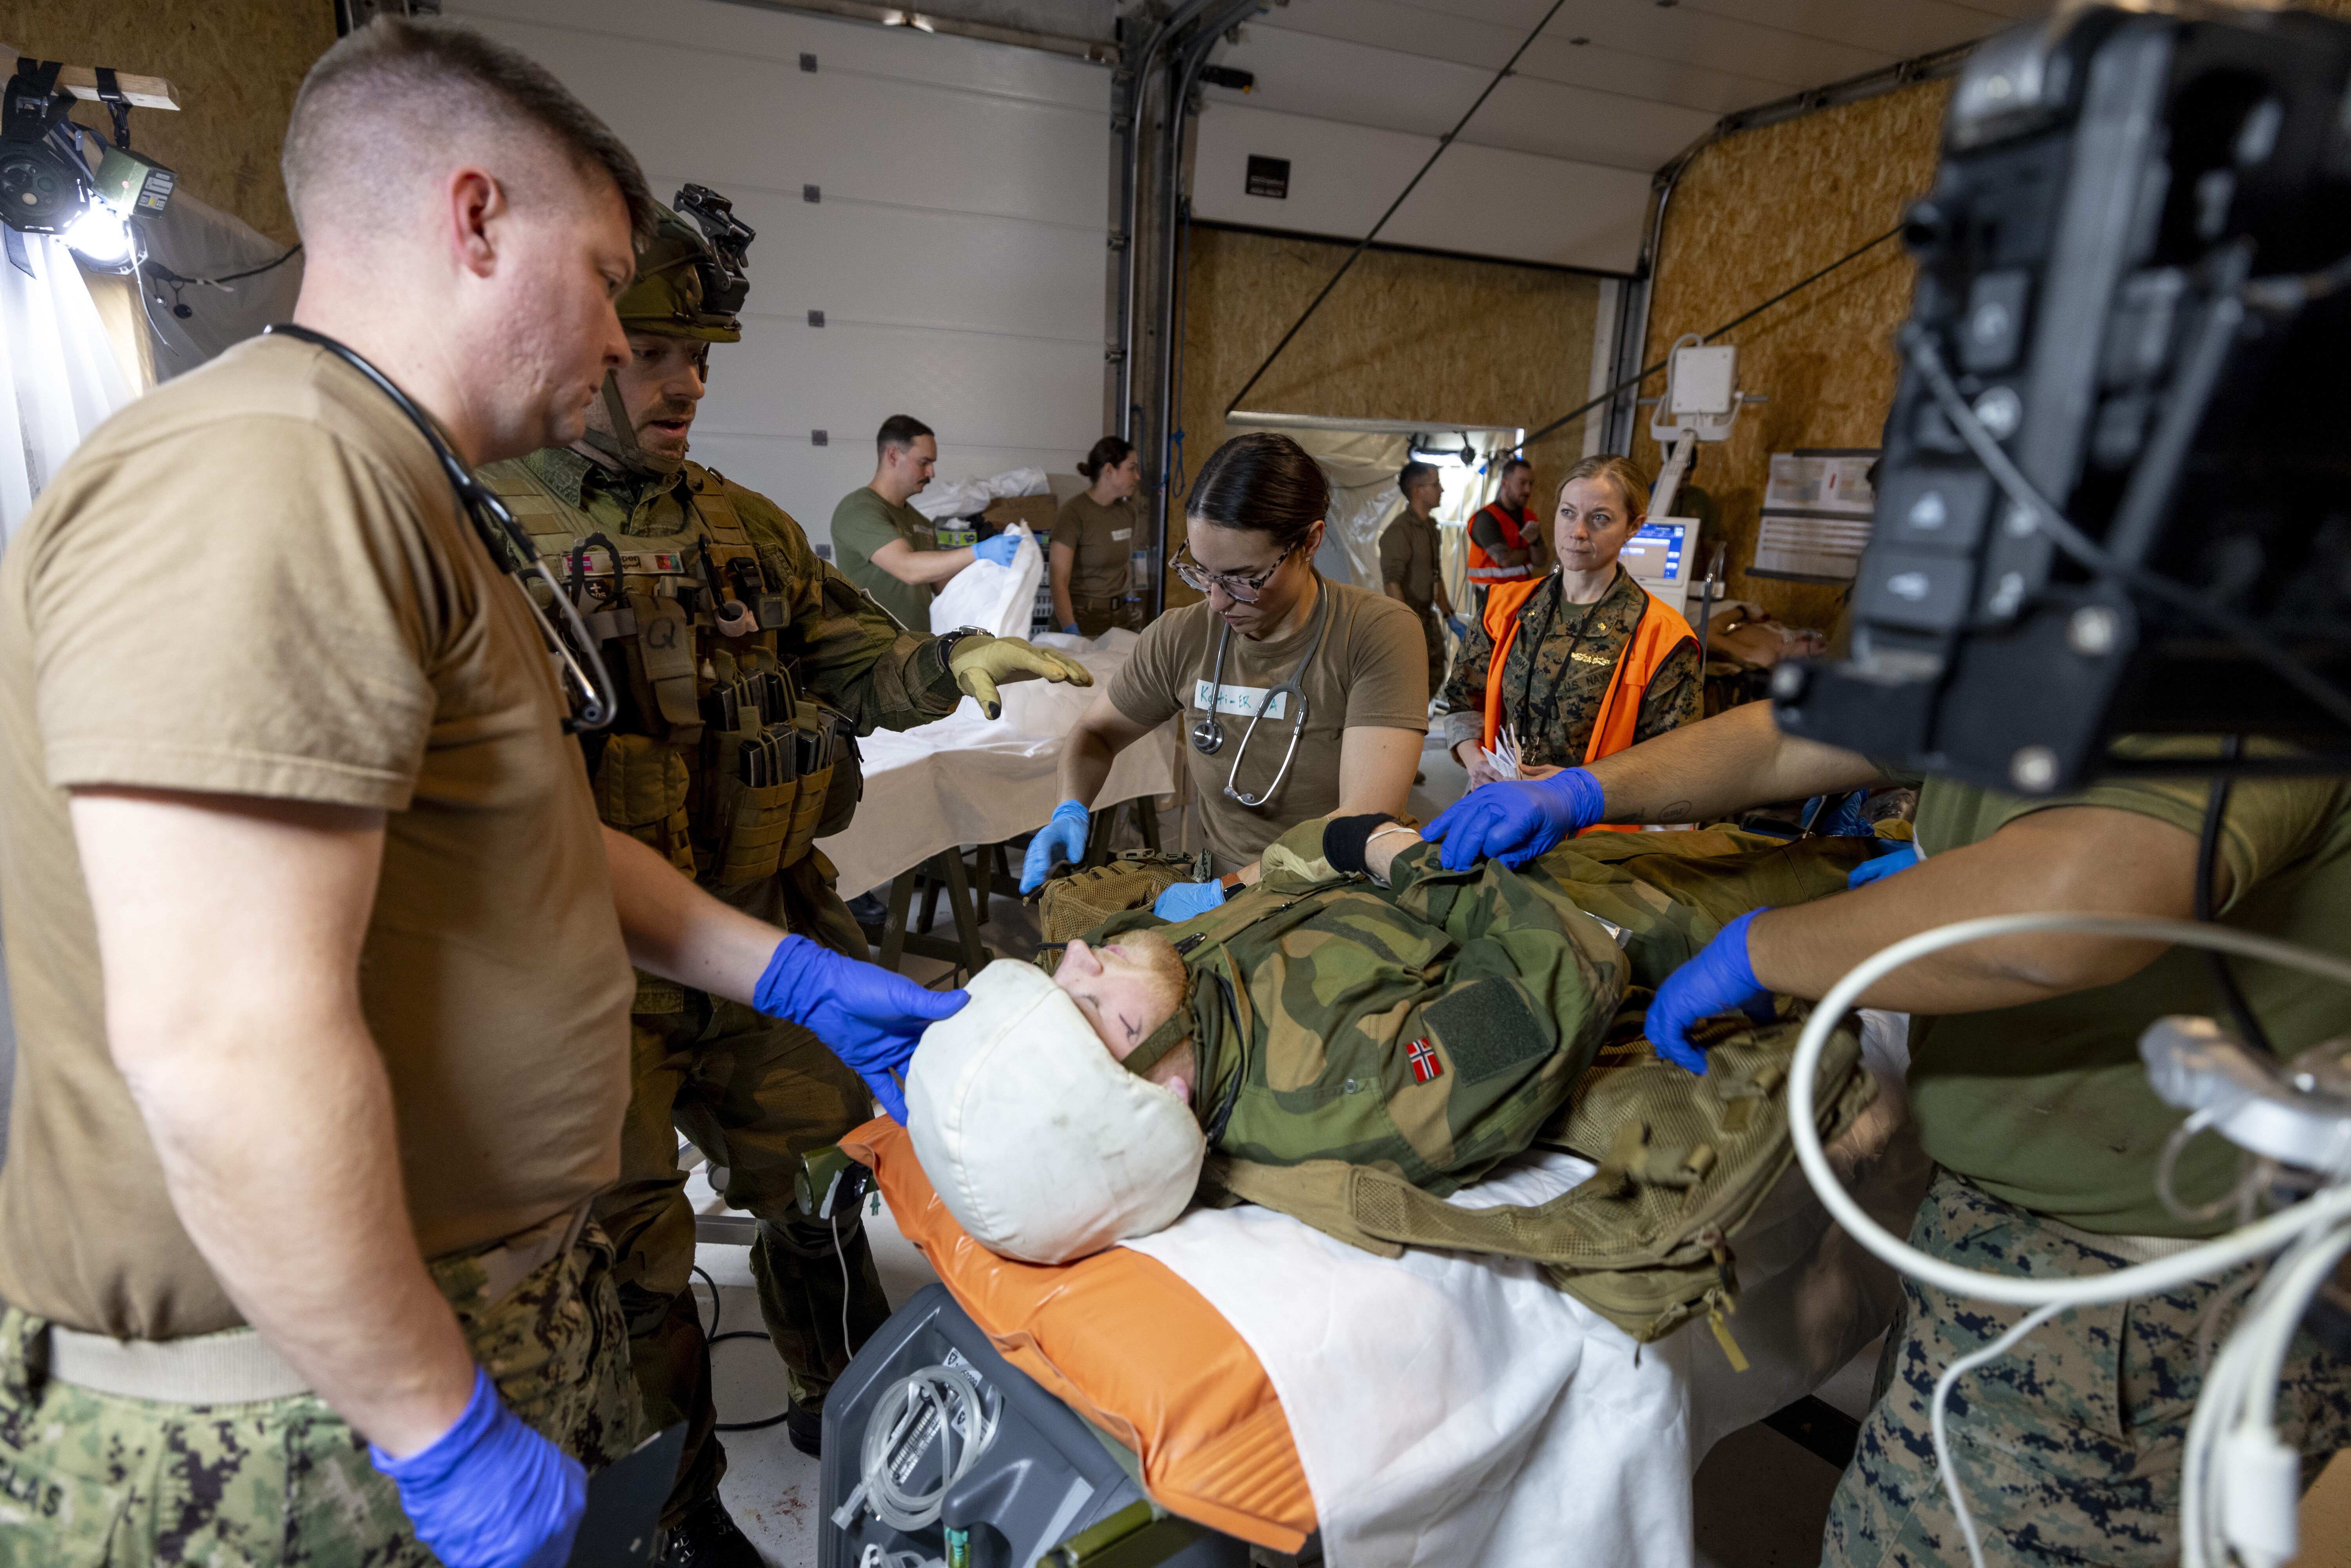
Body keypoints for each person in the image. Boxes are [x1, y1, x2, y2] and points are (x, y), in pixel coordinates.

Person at [0, 19, 971, 1566]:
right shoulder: (272, 481)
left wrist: (784, 969)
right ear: (474, 218)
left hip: (434, 1344)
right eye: (604, 281)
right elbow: (219, 1040)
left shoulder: (400, 493)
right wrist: (430, 1423)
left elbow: (519, 844)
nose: (624, 345)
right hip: (291, 1433)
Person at [475, 201, 1090, 1559]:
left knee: (826, 1180)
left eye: (703, 355)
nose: (688, 381)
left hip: (769, 935)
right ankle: (685, 1518)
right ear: (582, 342)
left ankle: (845, 1398)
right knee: (636, 1258)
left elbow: (851, 661)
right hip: (597, 981)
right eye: (655, 351)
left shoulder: (746, 528)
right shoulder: (486, 532)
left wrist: (946, 668)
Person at [1425, 703, 2351, 1566]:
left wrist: (1774, 946)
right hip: (2019, 1231)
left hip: (2143, 1290)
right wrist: (1586, 789)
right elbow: (1805, 730)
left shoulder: (2257, 627)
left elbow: (2080, 897)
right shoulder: (2058, 614)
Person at [917, 810, 1876, 1265]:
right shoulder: (1350, 1087)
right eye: (1085, 1004)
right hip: (1627, 908)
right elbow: (1563, 968)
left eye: (1059, 978)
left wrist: (1292, 863)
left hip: (1534, 850)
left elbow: (1270, 887)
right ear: (1157, 1100)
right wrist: (1387, 849)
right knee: (1882, 874)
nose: (1078, 957)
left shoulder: (1169, 1004)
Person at [1019, 433, 1429, 920]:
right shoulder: (1184, 635)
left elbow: (1360, 825)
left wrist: (1226, 893)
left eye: (1242, 579)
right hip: (1219, 883)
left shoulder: (1375, 633)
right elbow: (1096, 733)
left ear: (1310, 543)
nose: (1216, 600)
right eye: (1201, 573)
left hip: (1337, 894)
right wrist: (1070, 808)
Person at [1440, 454, 1700, 795]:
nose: (1577, 532)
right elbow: (1463, 703)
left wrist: (1580, 787)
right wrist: (1477, 765)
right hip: (1498, 809)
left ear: (1634, 527)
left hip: (1592, 836)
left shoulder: (1663, 637)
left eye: (1600, 519)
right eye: (1568, 513)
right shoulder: (1503, 609)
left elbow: (1672, 759)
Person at [830, 415, 1019, 633]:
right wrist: (979, 552)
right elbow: (907, 568)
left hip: (916, 647)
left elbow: (944, 586)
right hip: (873, 651)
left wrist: (996, 578)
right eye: (924, 463)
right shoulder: (859, 509)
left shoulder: (920, 521)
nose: (931, 473)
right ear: (893, 455)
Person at [1379, 460, 1459, 701]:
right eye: (1436, 484)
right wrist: (1406, 624)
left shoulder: (1431, 530)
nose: (1442, 490)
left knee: (1435, 671)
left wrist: (1450, 617)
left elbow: (1436, 578)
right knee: (1409, 679)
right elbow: (1392, 582)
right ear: (1417, 491)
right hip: (1409, 614)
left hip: (1426, 615)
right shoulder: (1400, 531)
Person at [1052, 435, 1147, 636]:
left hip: (1120, 619)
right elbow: (1058, 581)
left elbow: (1125, 568)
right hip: (1082, 617)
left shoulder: (1128, 512)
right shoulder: (1073, 513)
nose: (1137, 477)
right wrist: (1070, 629)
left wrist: (1133, 609)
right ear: (1110, 470)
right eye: (1131, 468)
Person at [1465, 454, 1545, 607]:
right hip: (1492, 601)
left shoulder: (1529, 517)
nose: (1528, 490)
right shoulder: (1486, 518)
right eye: (1522, 483)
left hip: (1523, 597)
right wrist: (1532, 551)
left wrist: (1533, 545)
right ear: (1505, 484)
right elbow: (1505, 560)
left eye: (1531, 484)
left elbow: (1541, 560)